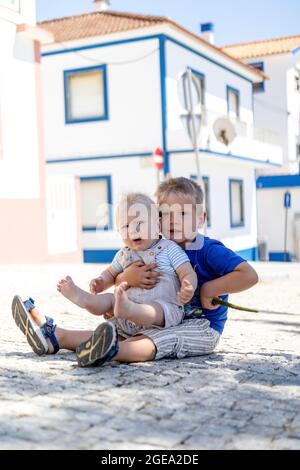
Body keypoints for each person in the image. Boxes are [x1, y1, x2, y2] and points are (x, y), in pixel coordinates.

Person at [12, 192, 197, 366]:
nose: (133, 231)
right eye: (125, 227)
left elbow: (187, 271)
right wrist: (100, 282)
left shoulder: (170, 249)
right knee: (109, 301)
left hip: (160, 317)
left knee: (156, 309)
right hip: (126, 320)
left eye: (140, 224)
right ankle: (82, 300)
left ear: (157, 225)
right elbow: (110, 274)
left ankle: (127, 310)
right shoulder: (124, 254)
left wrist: (188, 284)